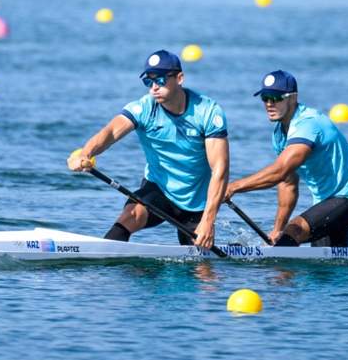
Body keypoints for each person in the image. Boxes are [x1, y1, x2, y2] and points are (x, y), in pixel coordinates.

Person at [68, 50, 229, 249]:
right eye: (148, 81)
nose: (154, 87)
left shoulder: (208, 112)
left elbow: (220, 170)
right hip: (159, 190)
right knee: (130, 215)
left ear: (179, 78)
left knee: (203, 273)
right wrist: (86, 153)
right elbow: (110, 132)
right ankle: (102, 267)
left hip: (198, 200)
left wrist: (208, 221)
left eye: (160, 80)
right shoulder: (144, 108)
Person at [225, 70, 348, 247]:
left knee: (294, 230)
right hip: (325, 206)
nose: (269, 104)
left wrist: (233, 187)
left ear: (293, 98)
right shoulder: (280, 134)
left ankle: (278, 273)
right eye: (265, 98)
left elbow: (280, 171)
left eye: (276, 98)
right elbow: (287, 183)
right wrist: (277, 229)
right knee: (326, 270)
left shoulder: (308, 123)